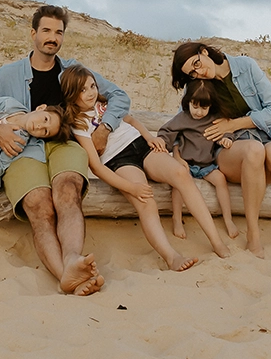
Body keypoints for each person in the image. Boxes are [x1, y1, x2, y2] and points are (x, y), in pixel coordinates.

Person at [0, 4, 126, 295]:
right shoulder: (7, 76)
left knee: (67, 191)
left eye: (58, 32)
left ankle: (72, 259)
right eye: (46, 30)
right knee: (39, 204)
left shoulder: (72, 71)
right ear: (33, 33)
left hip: (64, 142)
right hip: (20, 150)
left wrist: (105, 128)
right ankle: (64, 274)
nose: (52, 37)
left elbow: (119, 96)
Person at [63, 63, 232, 270]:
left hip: (141, 146)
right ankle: (171, 257)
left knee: (181, 173)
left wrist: (149, 136)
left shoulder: (105, 104)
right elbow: (96, 167)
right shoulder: (78, 124)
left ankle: (216, 241)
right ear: (71, 94)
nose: (90, 93)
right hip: (119, 160)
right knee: (146, 201)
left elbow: (131, 120)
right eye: (82, 90)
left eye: (92, 86)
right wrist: (130, 188)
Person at [172, 41, 271, 256]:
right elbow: (181, 122)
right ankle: (253, 235)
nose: (198, 73)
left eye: (197, 64)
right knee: (254, 150)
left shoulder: (245, 66)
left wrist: (234, 123)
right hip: (227, 150)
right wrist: (177, 153)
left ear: (204, 51)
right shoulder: (198, 86)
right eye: (192, 73)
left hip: (264, 139)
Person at [158, 78, 239, 241]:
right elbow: (166, 131)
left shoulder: (214, 119)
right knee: (178, 186)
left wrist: (227, 139)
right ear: (188, 102)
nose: (198, 111)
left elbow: (227, 130)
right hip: (185, 163)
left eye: (204, 107)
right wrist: (162, 143)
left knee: (221, 180)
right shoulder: (183, 118)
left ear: (211, 105)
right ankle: (176, 219)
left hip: (206, 164)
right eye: (195, 106)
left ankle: (228, 219)